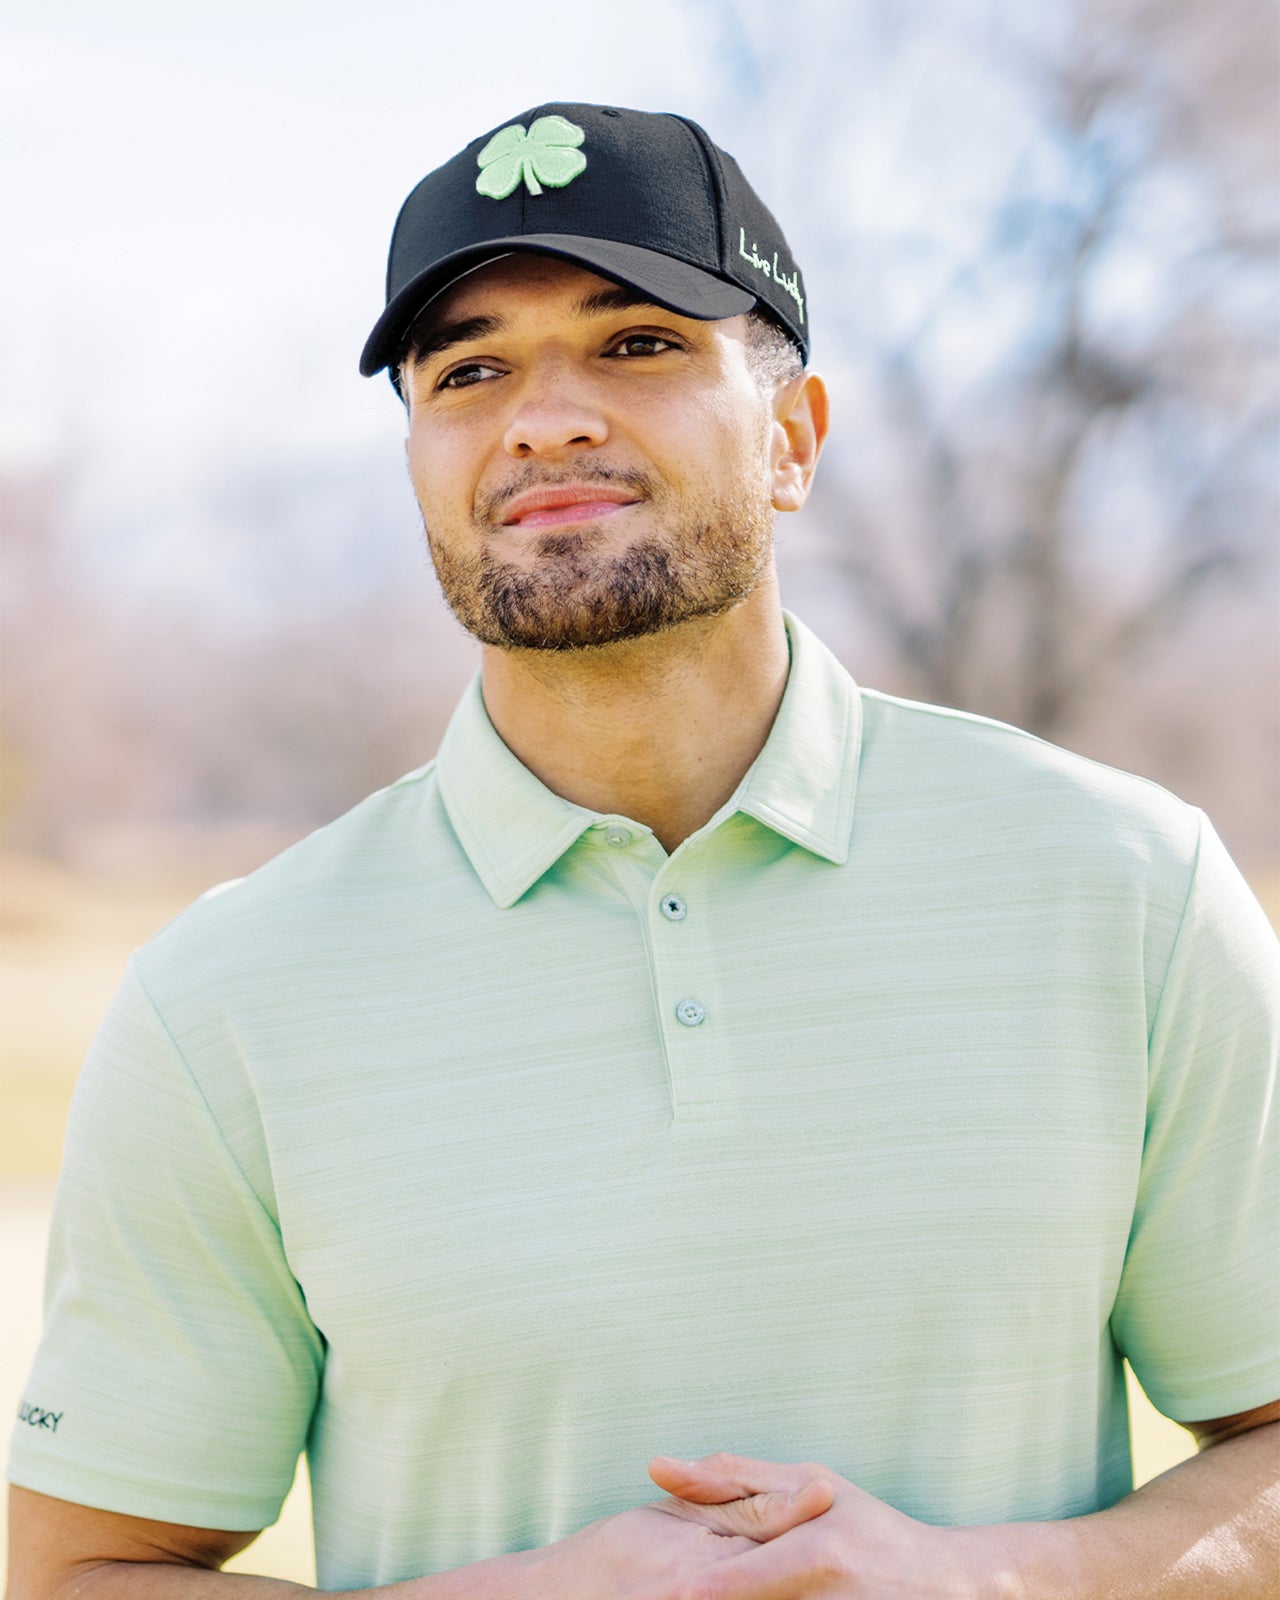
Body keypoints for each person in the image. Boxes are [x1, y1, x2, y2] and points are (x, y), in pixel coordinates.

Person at [7, 101, 1278, 1600]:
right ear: (417, 462)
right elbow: (80, 1572)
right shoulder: (224, 997)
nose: (543, 419)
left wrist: (996, 1581)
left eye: (637, 343)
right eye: (468, 370)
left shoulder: (1127, 887)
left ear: (792, 440)